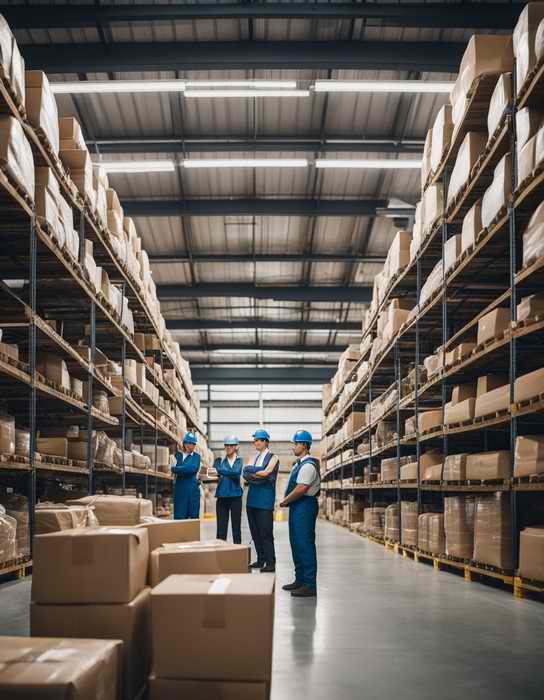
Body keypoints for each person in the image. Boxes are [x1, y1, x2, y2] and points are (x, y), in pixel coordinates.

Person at [280, 429, 321, 598]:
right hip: (298, 507)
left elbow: (301, 488)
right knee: (296, 543)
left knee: (304, 544)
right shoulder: (299, 464)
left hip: (305, 505)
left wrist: (285, 501)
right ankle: (300, 579)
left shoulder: (309, 466)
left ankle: (309, 584)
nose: (294, 447)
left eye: (296, 444)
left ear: (304, 445)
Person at [243, 428, 279, 573]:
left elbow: (267, 473)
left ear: (265, 441)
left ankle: (270, 562)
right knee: (255, 532)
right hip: (252, 500)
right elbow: (245, 473)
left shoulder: (273, 457)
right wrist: (258, 474)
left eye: (258, 440)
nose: (256, 442)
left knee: (266, 533)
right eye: (255, 440)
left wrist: (254, 473)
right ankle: (261, 559)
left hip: (265, 501)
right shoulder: (253, 457)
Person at [215, 435, 243, 544]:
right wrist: (219, 470)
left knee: (236, 528)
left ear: (236, 447)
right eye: (226, 445)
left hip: (235, 497)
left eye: (231, 445)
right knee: (221, 529)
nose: (228, 447)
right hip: (222, 497)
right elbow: (213, 472)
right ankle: (221, 555)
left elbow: (235, 472)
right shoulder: (220, 460)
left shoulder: (239, 461)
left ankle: (238, 554)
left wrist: (220, 470)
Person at [172, 431, 201, 520]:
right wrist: (181, 468)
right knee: (179, 518)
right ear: (184, 443)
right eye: (188, 443)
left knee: (193, 518)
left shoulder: (197, 456)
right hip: (180, 491)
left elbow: (192, 469)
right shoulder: (178, 456)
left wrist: (176, 469)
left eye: (193, 443)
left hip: (193, 491)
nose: (190, 445)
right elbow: (185, 468)